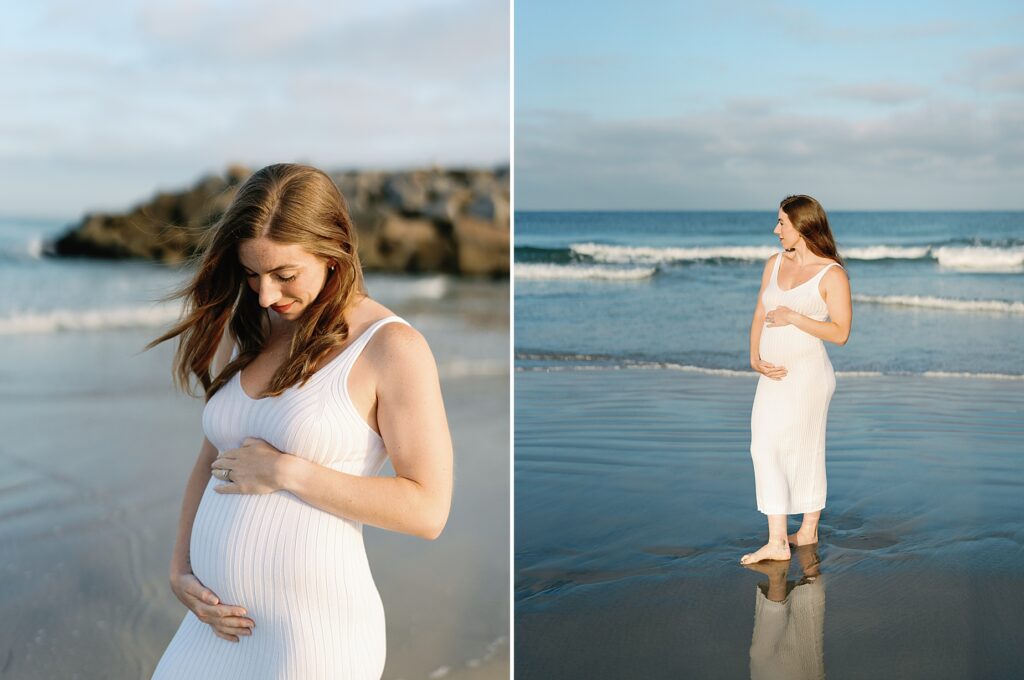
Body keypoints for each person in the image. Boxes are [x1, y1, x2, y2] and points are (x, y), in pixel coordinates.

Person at [147, 163, 454, 679]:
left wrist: (290, 472)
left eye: (285, 276)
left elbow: (428, 509)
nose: (266, 294)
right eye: (251, 274)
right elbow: (214, 456)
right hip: (211, 626)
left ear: (334, 252)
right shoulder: (254, 327)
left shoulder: (390, 349)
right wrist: (180, 569)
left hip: (311, 641)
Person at [741, 194, 851, 566]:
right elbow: (760, 309)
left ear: (802, 227)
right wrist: (754, 355)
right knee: (763, 445)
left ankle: (801, 533)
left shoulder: (831, 273)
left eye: (781, 223)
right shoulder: (774, 263)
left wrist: (793, 318)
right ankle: (784, 537)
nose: (775, 230)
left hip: (808, 377)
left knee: (805, 449)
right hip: (772, 374)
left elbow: (840, 333)